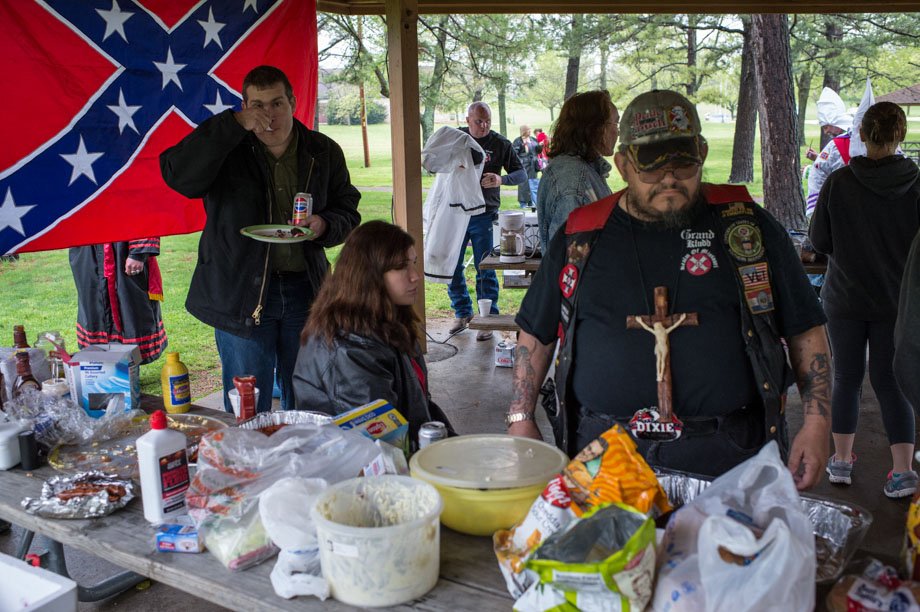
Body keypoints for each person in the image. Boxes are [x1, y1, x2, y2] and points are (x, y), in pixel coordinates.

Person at [507, 89, 831, 489]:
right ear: (623, 164)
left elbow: (805, 329)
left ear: (702, 152)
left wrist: (817, 423)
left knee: (731, 552)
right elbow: (535, 336)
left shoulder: (748, 230)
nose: (669, 177)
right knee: (609, 551)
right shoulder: (580, 236)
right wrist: (521, 419)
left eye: (682, 160)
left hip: (730, 453)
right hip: (602, 451)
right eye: (651, 164)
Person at [160, 65, 361, 414]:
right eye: (257, 106)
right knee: (248, 402)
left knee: (310, 394)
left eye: (277, 103)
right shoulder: (227, 149)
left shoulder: (322, 150)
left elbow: (348, 208)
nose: (268, 115)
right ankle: (249, 466)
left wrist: (325, 225)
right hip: (241, 292)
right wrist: (232, 125)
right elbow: (178, 176)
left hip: (306, 290)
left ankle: (305, 463)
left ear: (293, 102)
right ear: (245, 107)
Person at [809, 101, 920, 498]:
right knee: (891, 381)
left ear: (862, 135)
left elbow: (819, 242)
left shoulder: (839, 184)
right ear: (899, 136)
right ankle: (903, 471)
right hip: (898, 302)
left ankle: (841, 461)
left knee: (846, 378)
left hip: (845, 299)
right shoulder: (916, 184)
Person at [293, 221, 453, 445]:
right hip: (356, 470)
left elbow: (419, 408)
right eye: (401, 267)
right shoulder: (349, 348)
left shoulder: (389, 320)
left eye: (413, 264)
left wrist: (452, 443)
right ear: (369, 274)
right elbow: (381, 440)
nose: (415, 276)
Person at [448, 102, 526, 341]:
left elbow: (521, 173)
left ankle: (488, 318)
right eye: (479, 121)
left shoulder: (500, 143)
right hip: (456, 212)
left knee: (486, 267)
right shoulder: (456, 138)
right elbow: (431, 163)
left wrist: (500, 179)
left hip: (485, 214)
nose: (483, 126)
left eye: (487, 121)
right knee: (452, 265)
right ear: (468, 120)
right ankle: (462, 312)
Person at [536, 90, 618, 252]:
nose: (617, 131)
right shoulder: (573, 181)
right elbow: (569, 257)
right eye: (615, 123)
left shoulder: (586, 170)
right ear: (595, 128)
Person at [69, 239, 167, 364]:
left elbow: (145, 219)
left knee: (130, 308)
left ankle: (131, 365)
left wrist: (137, 252)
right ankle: (102, 366)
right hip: (87, 248)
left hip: (122, 248)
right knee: (93, 307)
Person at [805, 87, 853, 220]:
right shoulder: (847, 140)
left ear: (836, 123)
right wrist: (817, 158)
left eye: (826, 127)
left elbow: (839, 171)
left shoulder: (839, 144)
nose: (826, 132)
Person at [512, 125, 542, 208]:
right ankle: (523, 202)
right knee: (523, 183)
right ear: (524, 131)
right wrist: (521, 161)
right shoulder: (518, 141)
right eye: (528, 130)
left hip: (533, 165)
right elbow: (514, 153)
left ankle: (532, 202)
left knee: (533, 183)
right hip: (524, 165)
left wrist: (540, 146)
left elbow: (537, 151)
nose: (530, 131)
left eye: (530, 129)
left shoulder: (533, 139)